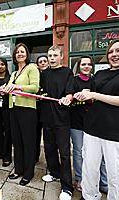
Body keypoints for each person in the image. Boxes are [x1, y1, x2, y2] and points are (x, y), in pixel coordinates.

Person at [73, 39, 119, 200]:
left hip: (117, 131)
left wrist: (94, 95)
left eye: (118, 50)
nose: (114, 55)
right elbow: (90, 95)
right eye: (111, 52)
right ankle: (89, 196)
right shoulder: (100, 74)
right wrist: (79, 95)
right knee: (89, 168)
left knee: (118, 173)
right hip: (92, 128)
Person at [2, 43, 40, 186]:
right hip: (14, 109)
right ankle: (18, 169)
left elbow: (35, 88)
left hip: (27, 110)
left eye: (22, 51)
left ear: (27, 54)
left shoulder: (32, 68)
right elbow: (9, 89)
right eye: (17, 52)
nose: (20, 54)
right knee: (16, 142)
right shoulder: (13, 73)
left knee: (28, 142)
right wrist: (4, 89)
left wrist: (17, 87)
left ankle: (28, 173)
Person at [40, 46, 74, 200]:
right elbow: (40, 91)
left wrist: (68, 98)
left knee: (65, 153)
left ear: (61, 56)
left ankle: (67, 187)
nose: (51, 58)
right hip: (47, 117)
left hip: (62, 119)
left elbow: (70, 92)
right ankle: (54, 173)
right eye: (49, 55)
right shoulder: (44, 73)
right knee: (49, 149)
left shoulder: (67, 72)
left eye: (54, 55)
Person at [69, 56, 108, 193]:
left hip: (94, 122)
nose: (86, 66)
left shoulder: (96, 81)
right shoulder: (73, 80)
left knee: (99, 154)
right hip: (76, 122)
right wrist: (74, 96)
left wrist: (91, 96)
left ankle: (103, 182)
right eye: (83, 64)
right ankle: (79, 179)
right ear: (79, 66)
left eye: (89, 64)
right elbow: (69, 96)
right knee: (78, 152)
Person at [35, 55, 49, 163]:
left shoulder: (51, 75)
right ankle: (35, 157)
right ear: (38, 65)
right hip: (36, 109)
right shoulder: (36, 76)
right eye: (41, 62)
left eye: (45, 61)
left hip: (48, 110)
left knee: (48, 138)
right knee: (35, 135)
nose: (43, 63)